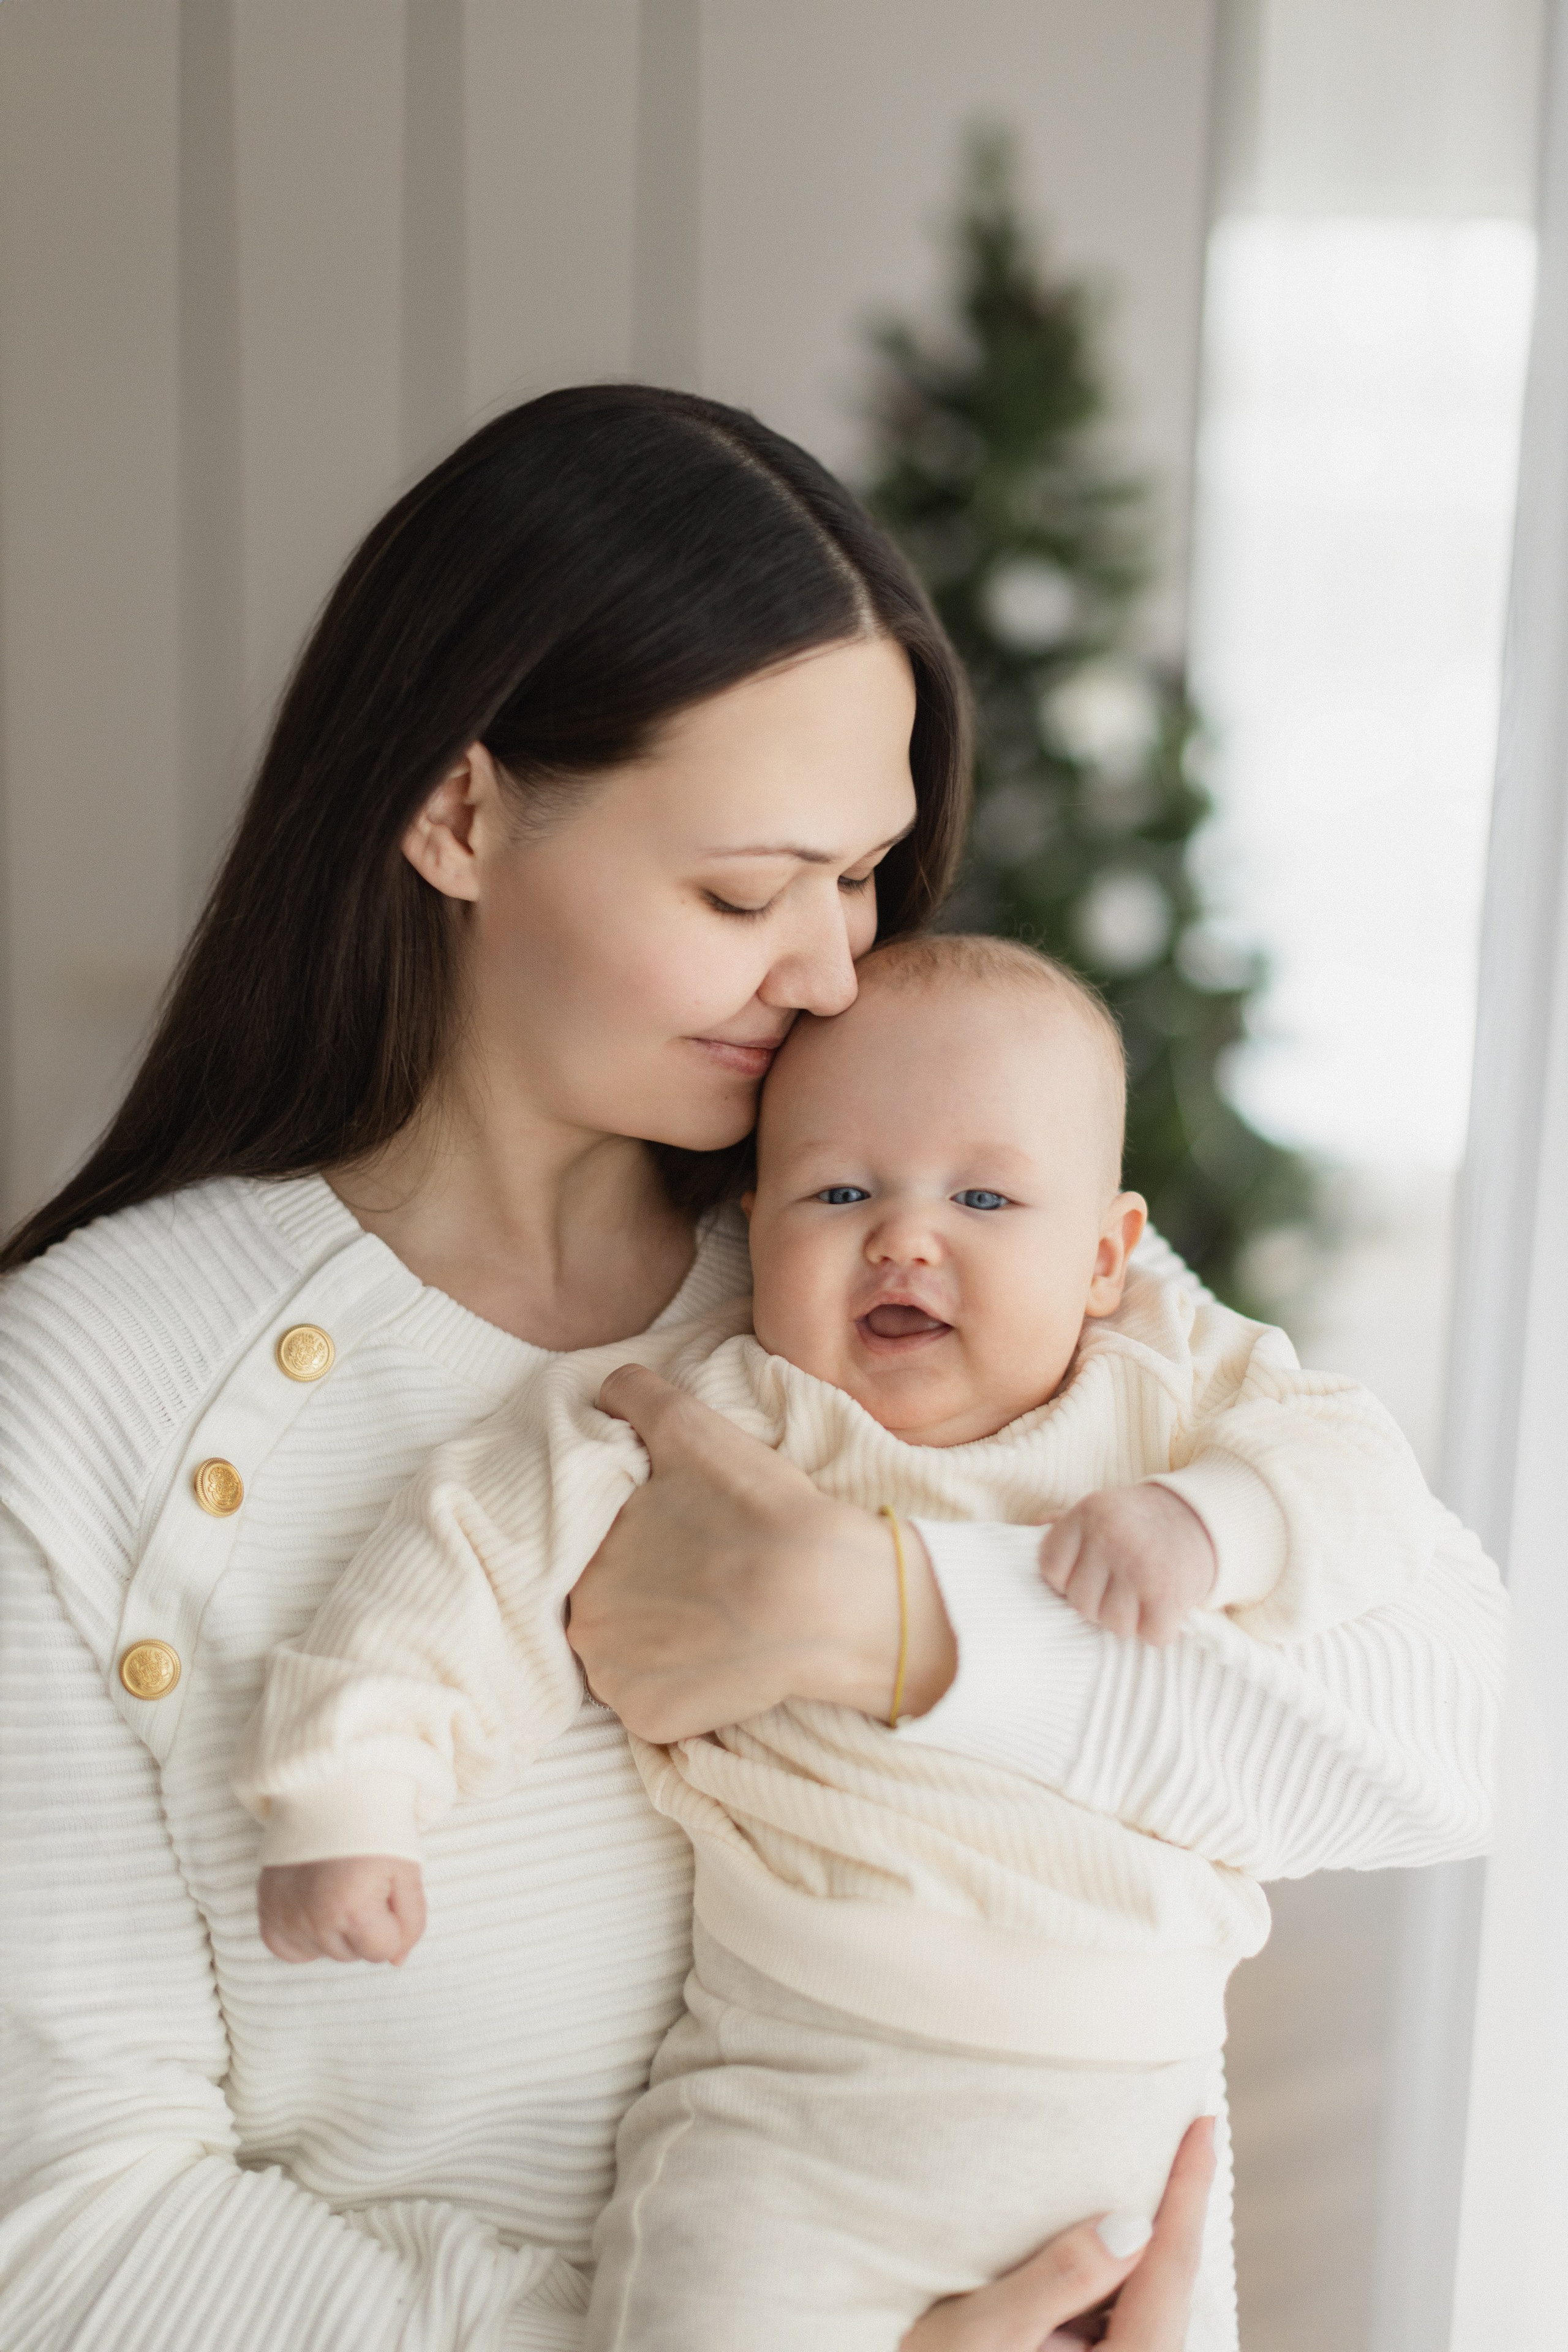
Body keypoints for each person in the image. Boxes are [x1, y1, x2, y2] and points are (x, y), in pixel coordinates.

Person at [0, 387, 1503, 2352]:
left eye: (865, 875)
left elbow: (1460, 1736)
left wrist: (898, 1623)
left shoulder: (931, 1264)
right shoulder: (93, 1398)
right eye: (742, 891)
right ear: (457, 817)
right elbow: (61, 2237)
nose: (826, 971)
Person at [235, 933, 1436, 2351]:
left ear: (1108, 1255)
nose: (906, 1237)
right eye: (838, 1191)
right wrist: (351, 1791)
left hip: (1132, 2132)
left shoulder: (1170, 1392)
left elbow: (1363, 1479)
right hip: (801, 2114)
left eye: (984, 1195)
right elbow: (471, 1548)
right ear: (755, 1221)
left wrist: (1215, 1521)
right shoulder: (720, 1409)